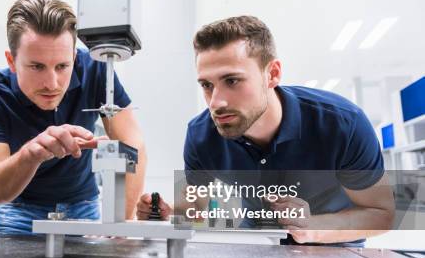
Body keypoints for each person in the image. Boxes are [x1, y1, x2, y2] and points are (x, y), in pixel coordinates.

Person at [137, 15, 394, 245]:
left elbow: (382, 214)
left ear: (272, 74)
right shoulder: (200, 135)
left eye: (232, 81)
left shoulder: (343, 124)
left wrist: (313, 227)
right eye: (206, 85)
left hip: (335, 248)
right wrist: (169, 214)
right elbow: (195, 204)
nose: (216, 102)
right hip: (258, 245)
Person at [0, 0, 147, 234]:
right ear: (12, 61)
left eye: (62, 66)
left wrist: (122, 225)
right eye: (37, 66)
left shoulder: (95, 69)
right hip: (20, 211)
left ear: (73, 57)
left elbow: (133, 145)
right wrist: (31, 154)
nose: (51, 83)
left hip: (84, 207)